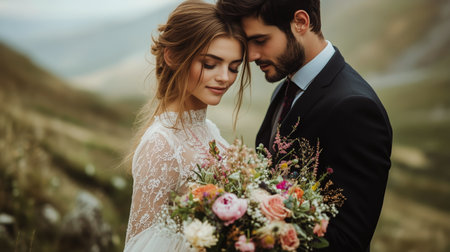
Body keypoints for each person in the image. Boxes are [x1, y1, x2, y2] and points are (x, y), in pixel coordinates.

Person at [216, 0, 392, 251]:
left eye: (260, 40)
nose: (252, 55)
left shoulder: (355, 108)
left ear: (301, 22)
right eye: (247, 43)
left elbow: (349, 240)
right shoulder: (284, 88)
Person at [123, 1, 249, 251]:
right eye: (210, 64)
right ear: (172, 56)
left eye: (234, 67)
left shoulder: (209, 130)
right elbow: (140, 244)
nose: (225, 77)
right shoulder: (160, 144)